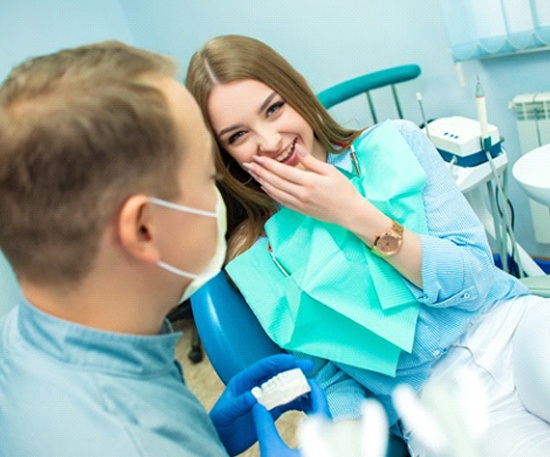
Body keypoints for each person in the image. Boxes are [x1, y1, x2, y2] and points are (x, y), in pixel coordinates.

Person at [185, 34, 550, 456]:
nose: (269, 141)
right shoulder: (253, 254)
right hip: (433, 403)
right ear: (224, 154)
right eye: (238, 135)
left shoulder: (394, 143)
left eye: (273, 108)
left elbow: (474, 279)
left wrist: (354, 214)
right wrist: (345, 438)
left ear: (296, 91)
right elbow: (331, 374)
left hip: (509, 327)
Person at [0, 41, 321, 457]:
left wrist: (205, 435)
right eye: (208, 178)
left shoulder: (24, 338)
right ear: (144, 229)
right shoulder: (131, 442)